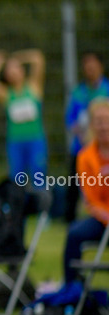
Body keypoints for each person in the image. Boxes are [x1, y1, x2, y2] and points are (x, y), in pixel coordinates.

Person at [0, 49, 47, 186]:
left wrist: (17, 58)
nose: (13, 71)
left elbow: (38, 58)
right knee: (16, 178)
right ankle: (17, 205)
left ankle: (41, 205)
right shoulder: (6, 95)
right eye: (9, 69)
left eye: (16, 68)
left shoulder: (33, 88)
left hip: (35, 140)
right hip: (15, 142)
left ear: (22, 70)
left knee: (38, 176)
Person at [62, 98, 109, 287]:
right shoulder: (85, 157)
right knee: (74, 233)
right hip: (101, 218)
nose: (104, 126)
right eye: (98, 121)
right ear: (91, 125)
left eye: (107, 120)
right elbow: (90, 199)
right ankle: (71, 290)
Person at [65, 51, 109, 223]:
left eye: (93, 66)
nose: (90, 70)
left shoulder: (106, 89)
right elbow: (70, 120)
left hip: (104, 149)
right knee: (74, 185)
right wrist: (83, 134)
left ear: (100, 67)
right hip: (81, 146)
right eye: (87, 67)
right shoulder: (78, 92)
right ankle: (70, 219)